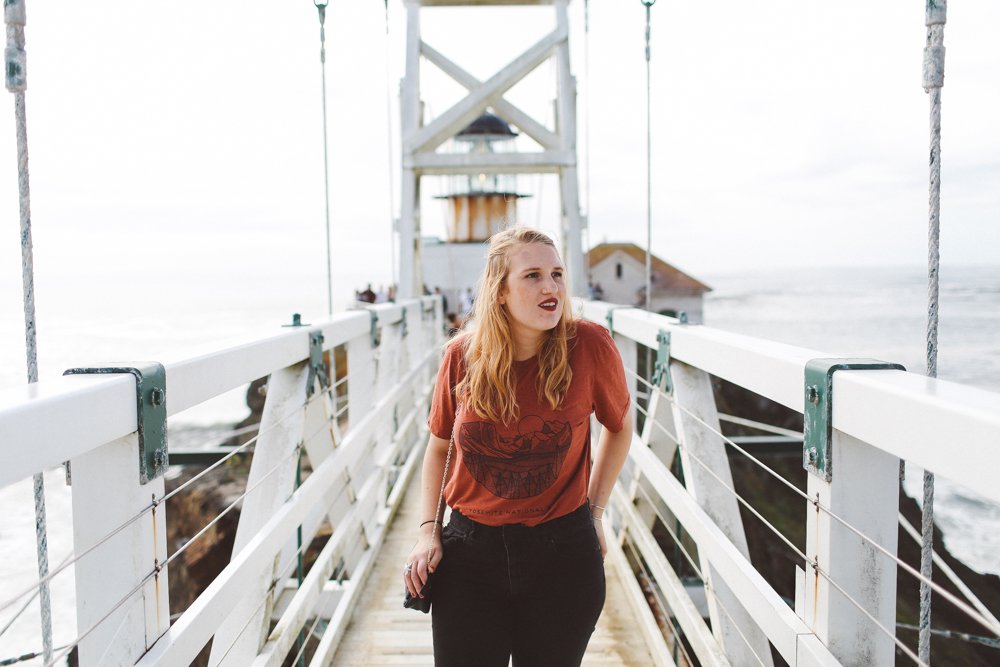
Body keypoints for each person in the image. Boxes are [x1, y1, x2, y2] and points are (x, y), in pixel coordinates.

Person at [404, 227, 633, 667]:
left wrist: (595, 512)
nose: (551, 287)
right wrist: (427, 532)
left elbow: (619, 427)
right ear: (500, 291)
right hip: (470, 554)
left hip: (562, 554)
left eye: (557, 274)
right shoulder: (462, 356)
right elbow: (438, 448)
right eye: (532, 276)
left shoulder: (589, 345)